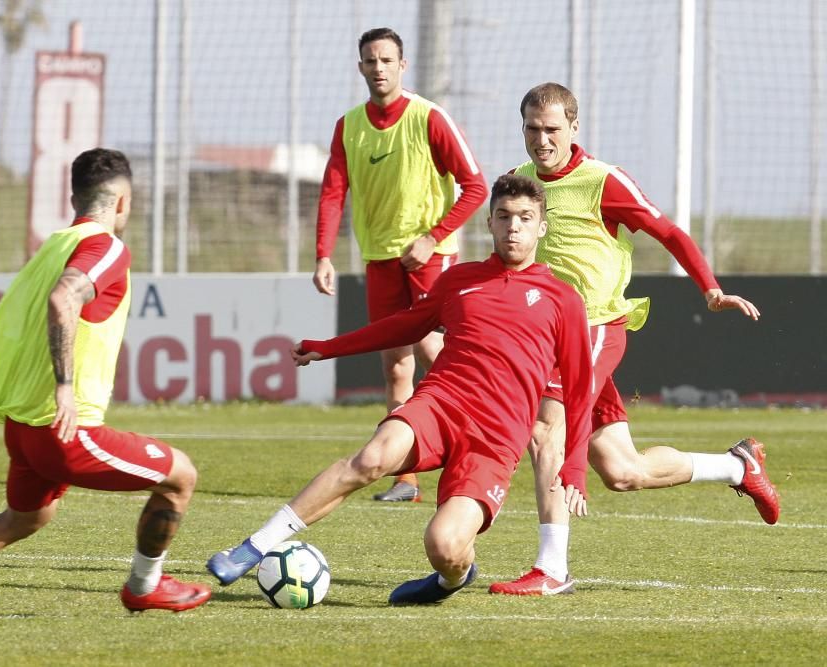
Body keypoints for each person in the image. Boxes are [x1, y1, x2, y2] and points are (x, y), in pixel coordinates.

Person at [207, 174, 593, 604]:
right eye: (503, 216)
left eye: (525, 217)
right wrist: (329, 348)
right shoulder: (458, 280)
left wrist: (574, 467)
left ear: (542, 226)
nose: (513, 227)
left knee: (445, 547)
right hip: (441, 404)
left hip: (495, 440)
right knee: (372, 457)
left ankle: (451, 579)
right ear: (489, 222)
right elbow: (403, 326)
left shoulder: (563, 300)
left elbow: (579, 391)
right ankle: (254, 547)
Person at [0, 148, 211, 615]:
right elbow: (65, 300)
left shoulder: (54, 246)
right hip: (62, 426)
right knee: (180, 476)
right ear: (122, 202)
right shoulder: (107, 247)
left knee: (25, 517)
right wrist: (65, 386)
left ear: (74, 196)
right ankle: (144, 585)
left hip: (23, 426)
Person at [488, 82, 778, 597]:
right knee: (623, 472)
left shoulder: (604, 181)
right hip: (546, 339)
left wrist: (710, 290)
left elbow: (669, 232)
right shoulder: (519, 184)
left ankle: (552, 568)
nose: (542, 139)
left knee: (544, 430)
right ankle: (737, 466)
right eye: (533, 128)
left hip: (595, 330)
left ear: (574, 127)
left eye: (552, 129)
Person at [314, 27, 488, 502]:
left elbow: (476, 187)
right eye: (370, 61)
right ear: (360, 67)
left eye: (387, 60)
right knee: (394, 368)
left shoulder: (430, 118)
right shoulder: (348, 125)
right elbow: (333, 192)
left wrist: (433, 238)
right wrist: (323, 254)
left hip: (431, 259)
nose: (378, 68)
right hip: (380, 260)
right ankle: (405, 477)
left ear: (402, 65)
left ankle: (481, 451)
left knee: (438, 355)